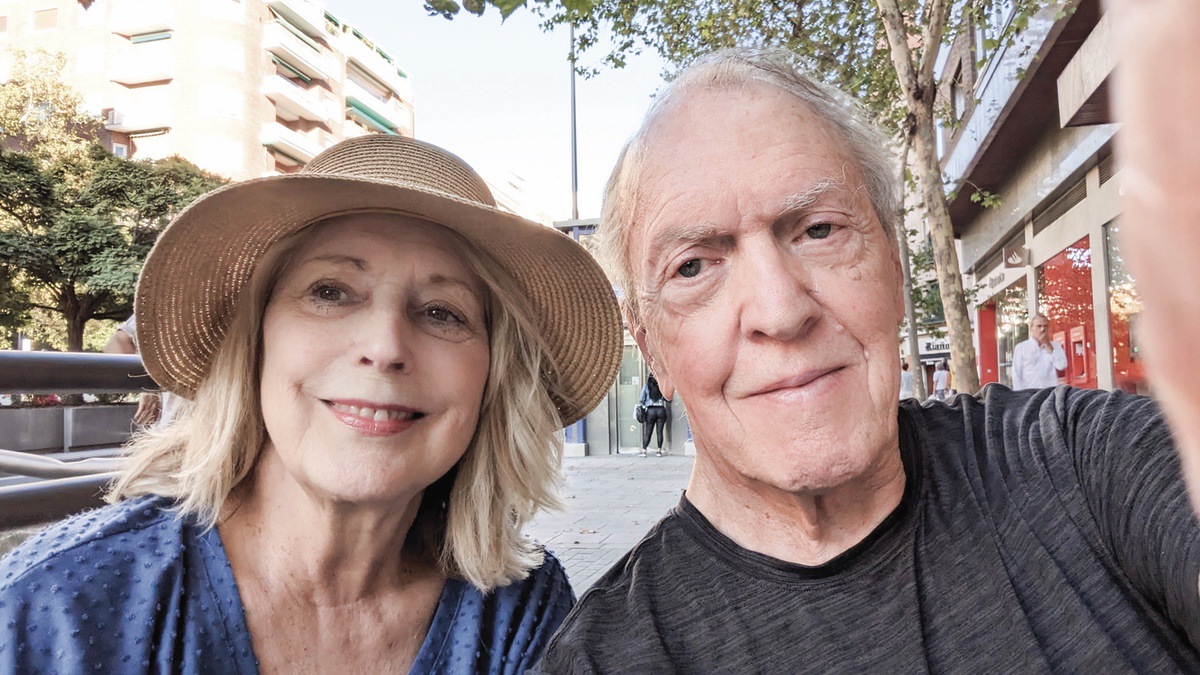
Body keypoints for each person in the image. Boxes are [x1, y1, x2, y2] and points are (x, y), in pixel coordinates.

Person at [533, 47, 1200, 673]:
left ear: (895, 265)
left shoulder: (1087, 463)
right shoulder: (605, 657)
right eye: (695, 266)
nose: (780, 310)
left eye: (819, 230)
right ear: (650, 347)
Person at [0, 135, 622, 672]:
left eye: (442, 312)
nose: (384, 347)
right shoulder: (55, 606)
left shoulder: (521, 613)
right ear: (256, 342)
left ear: (492, 380)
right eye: (331, 292)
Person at [103, 314, 184, 427]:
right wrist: (147, 383)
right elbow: (116, 344)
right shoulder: (162, 308)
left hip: (194, 427)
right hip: (174, 429)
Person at [1010, 313, 1067, 390]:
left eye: (1045, 326)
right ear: (1031, 328)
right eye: (1039, 326)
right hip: (1029, 393)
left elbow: (1061, 365)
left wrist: (1048, 345)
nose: (1043, 329)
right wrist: (1019, 395)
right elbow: (1016, 374)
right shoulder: (1021, 348)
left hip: (1049, 393)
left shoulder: (1055, 346)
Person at [637, 373, 670, 457]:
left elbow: (641, 399)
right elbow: (667, 398)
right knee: (659, 431)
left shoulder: (647, 387)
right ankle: (659, 451)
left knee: (648, 431)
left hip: (650, 411)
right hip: (661, 410)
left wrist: (644, 404)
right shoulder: (661, 386)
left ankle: (644, 450)